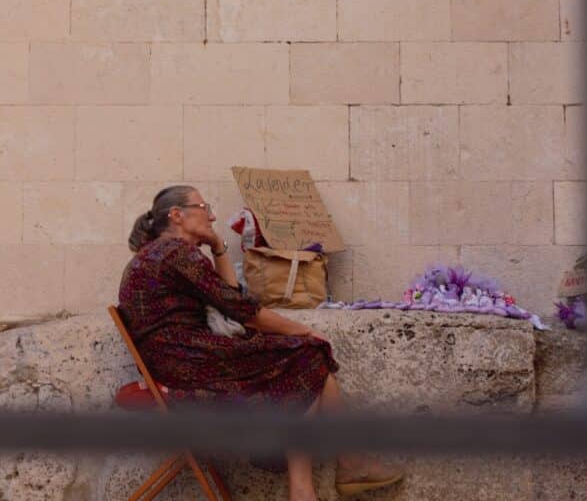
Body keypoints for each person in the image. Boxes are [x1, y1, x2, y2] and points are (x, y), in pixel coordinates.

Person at [118, 184, 404, 500]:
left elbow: (231, 298)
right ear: (177, 215)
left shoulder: (160, 254)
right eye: (204, 207)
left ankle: (320, 480)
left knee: (306, 358)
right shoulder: (175, 254)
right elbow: (244, 311)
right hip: (188, 365)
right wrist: (300, 330)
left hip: (182, 361)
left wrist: (218, 246)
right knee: (310, 352)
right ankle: (340, 468)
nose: (212, 216)